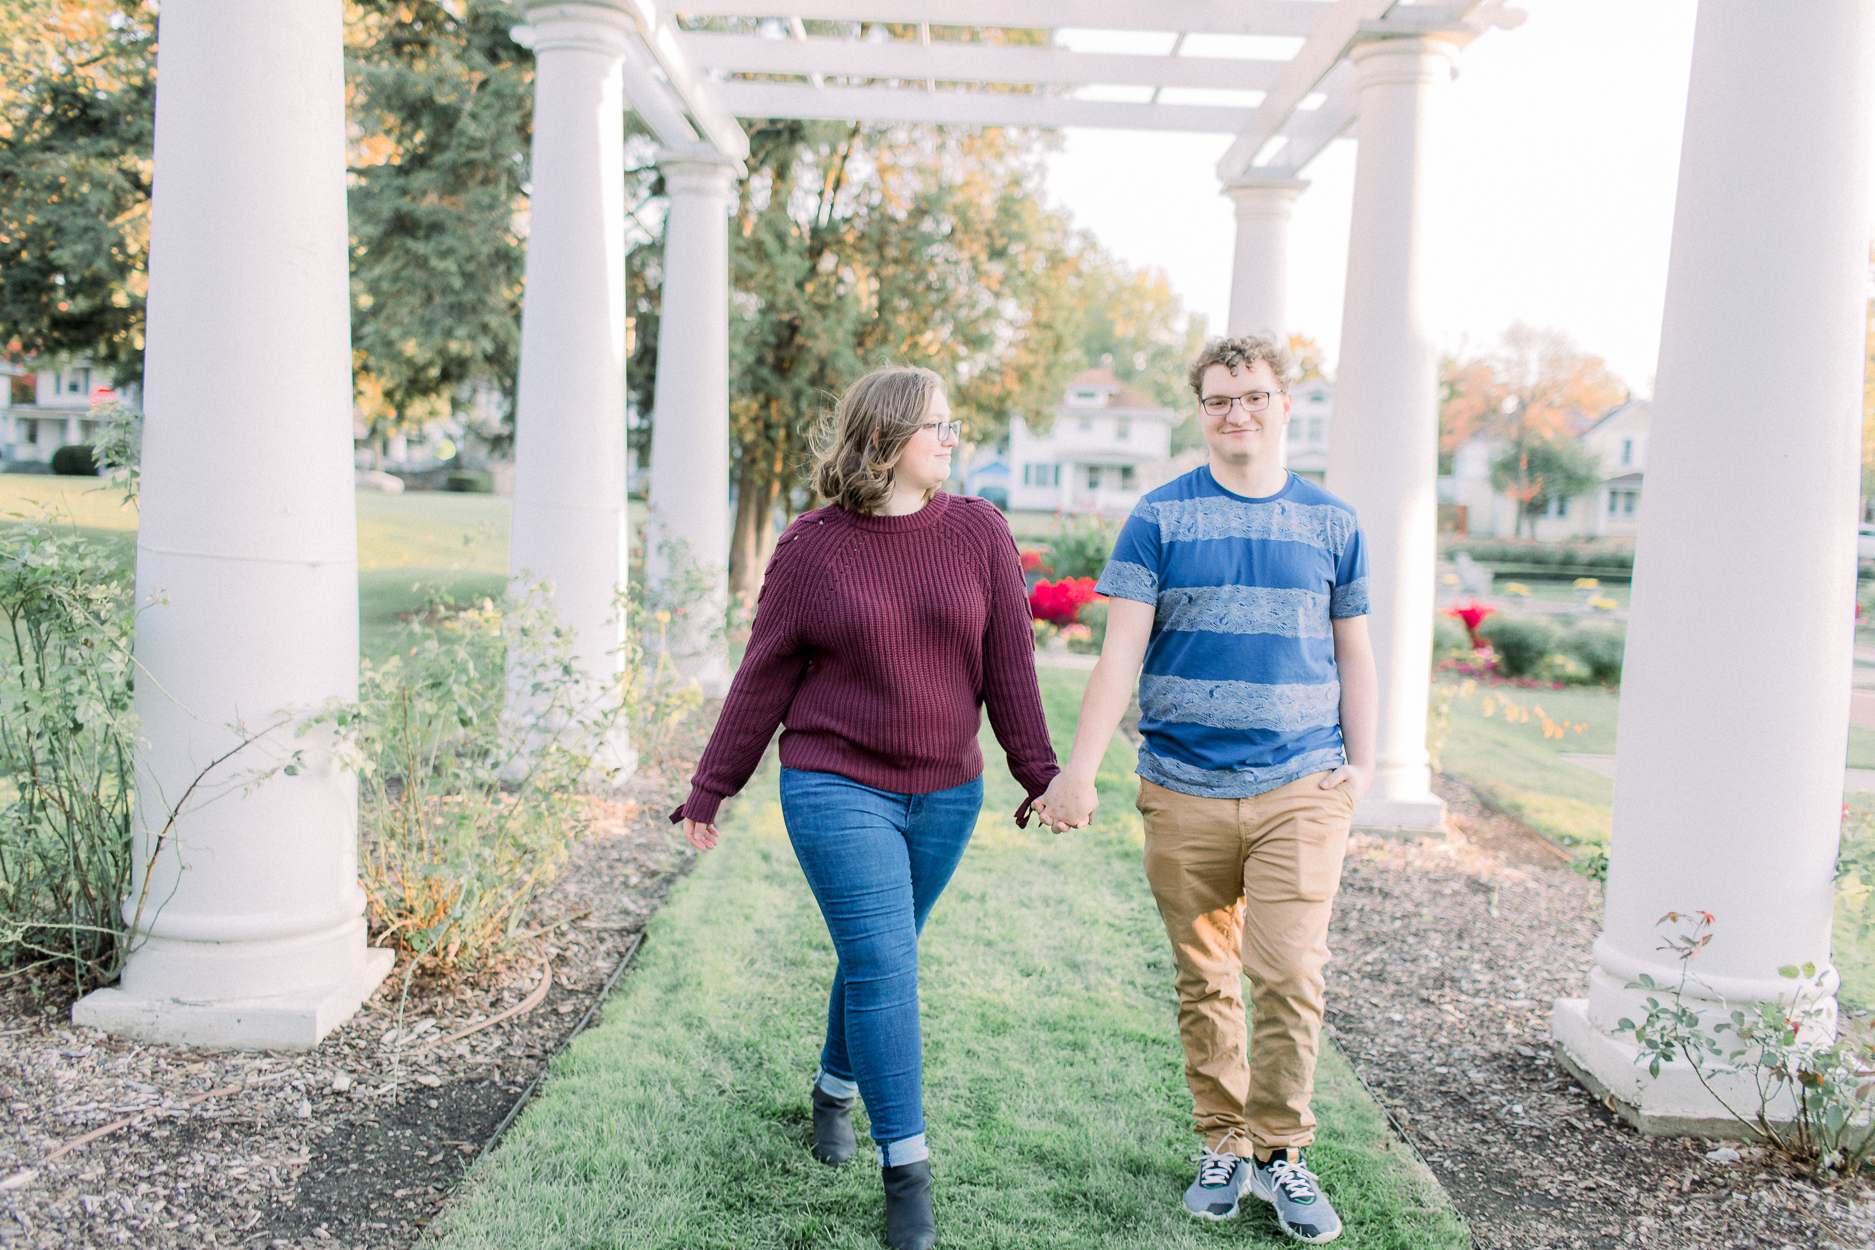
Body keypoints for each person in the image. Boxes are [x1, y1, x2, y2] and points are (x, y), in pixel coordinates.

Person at [672, 365, 1058, 1250]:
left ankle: (832, 1089)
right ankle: (908, 1179)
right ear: (884, 438)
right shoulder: (812, 547)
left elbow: (1010, 665)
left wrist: (1037, 775)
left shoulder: (978, 533)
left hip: (947, 793)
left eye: (952, 426)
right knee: (886, 963)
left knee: (877, 952)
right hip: (835, 783)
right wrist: (711, 786)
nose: (950, 440)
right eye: (937, 426)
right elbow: (762, 673)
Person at [1033, 335, 1376, 1245]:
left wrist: (1365, 765)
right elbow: (1119, 657)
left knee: (1290, 972)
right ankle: (1222, 1142)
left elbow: (1354, 653)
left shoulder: (1332, 522)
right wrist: (1080, 769)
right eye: (1220, 399)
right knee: (1205, 977)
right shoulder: (1156, 517)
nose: (1238, 414)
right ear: (1201, 410)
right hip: (1180, 786)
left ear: (1283, 405)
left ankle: (1282, 1154)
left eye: (1254, 397)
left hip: (1301, 783)